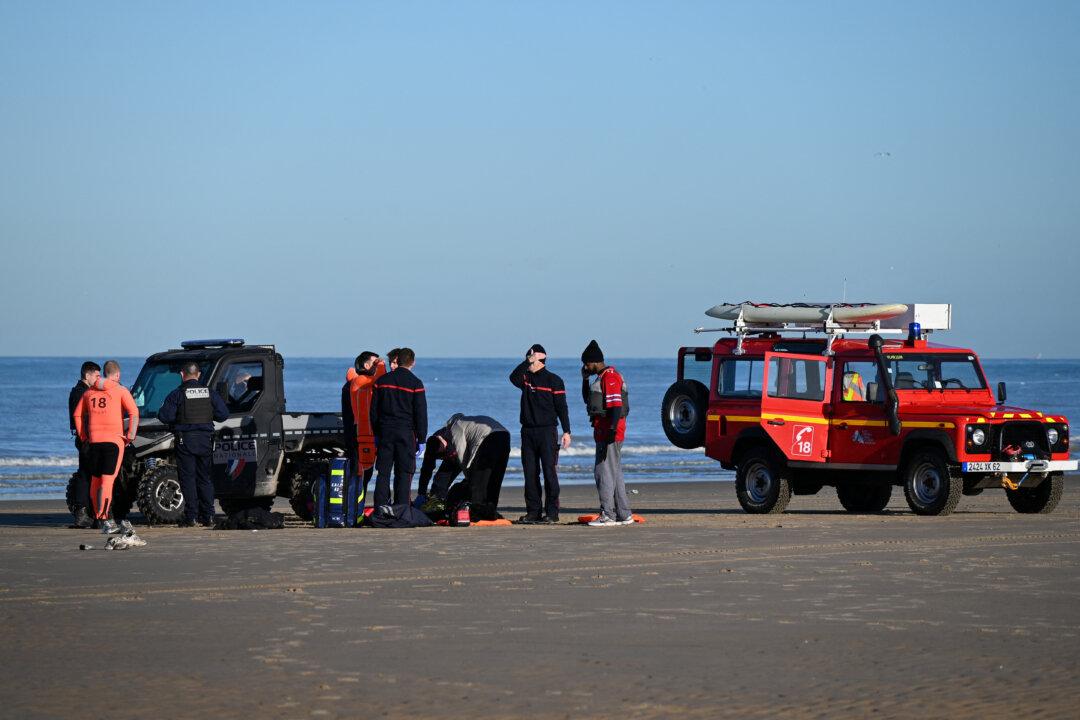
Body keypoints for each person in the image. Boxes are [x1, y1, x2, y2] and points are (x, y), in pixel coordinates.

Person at [72, 360, 140, 536]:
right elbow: (134, 412)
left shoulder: (89, 392)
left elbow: (77, 414)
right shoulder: (121, 390)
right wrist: (130, 436)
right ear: (117, 374)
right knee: (108, 481)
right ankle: (105, 519)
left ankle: (98, 515)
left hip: (94, 441)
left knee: (95, 480)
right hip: (114, 441)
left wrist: (83, 436)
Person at [158, 361, 229, 527]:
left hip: (186, 440)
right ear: (198, 374)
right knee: (205, 478)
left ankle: (191, 517)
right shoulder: (209, 393)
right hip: (205, 440)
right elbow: (223, 415)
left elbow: (164, 416)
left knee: (188, 479)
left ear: (182, 374)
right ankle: (209, 516)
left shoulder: (177, 394)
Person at [509, 344, 571, 523]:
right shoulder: (525, 378)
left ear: (538, 359)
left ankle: (552, 513)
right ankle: (533, 511)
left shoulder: (554, 380)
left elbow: (562, 408)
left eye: (530, 359)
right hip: (527, 432)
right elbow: (512, 378)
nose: (528, 363)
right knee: (530, 473)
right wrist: (525, 361)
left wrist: (567, 431)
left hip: (547, 432)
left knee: (549, 473)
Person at [417, 413, 510, 520]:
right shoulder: (433, 445)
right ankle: (490, 511)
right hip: (504, 435)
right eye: (441, 456)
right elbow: (426, 469)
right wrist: (421, 493)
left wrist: (470, 481)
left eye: (444, 454)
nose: (443, 457)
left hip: (488, 438)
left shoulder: (455, 430)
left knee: (479, 483)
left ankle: (477, 512)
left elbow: (464, 460)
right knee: (494, 479)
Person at [580, 340, 633, 526]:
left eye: (586, 363)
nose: (585, 367)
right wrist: (585, 380)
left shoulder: (609, 377)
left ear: (594, 362)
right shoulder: (599, 377)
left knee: (603, 472)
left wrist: (611, 430)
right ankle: (624, 514)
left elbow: (616, 406)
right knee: (614, 471)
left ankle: (608, 514)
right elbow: (589, 399)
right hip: (604, 431)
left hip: (610, 432)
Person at [370, 347, 426, 507]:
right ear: (412, 363)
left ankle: (381, 508)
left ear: (398, 361)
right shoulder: (416, 383)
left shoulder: (381, 382)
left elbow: (373, 411)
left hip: (385, 431)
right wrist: (421, 438)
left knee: (383, 473)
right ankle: (401, 508)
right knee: (404, 472)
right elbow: (421, 414)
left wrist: (376, 433)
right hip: (406, 433)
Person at [342, 351, 384, 489]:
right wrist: (382, 364)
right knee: (361, 472)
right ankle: (355, 506)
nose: (377, 364)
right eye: (374, 362)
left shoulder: (365, 384)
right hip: (359, 434)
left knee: (366, 472)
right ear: (366, 365)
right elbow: (380, 378)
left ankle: (357, 504)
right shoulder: (359, 380)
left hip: (365, 433)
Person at [68, 361, 101, 528]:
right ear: (87, 375)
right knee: (86, 475)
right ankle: (83, 512)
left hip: (85, 437)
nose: (98, 379)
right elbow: (83, 417)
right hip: (86, 438)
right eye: (96, 375)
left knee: (86, 474)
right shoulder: (82, 393)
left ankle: (86, 511)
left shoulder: (80, 391)